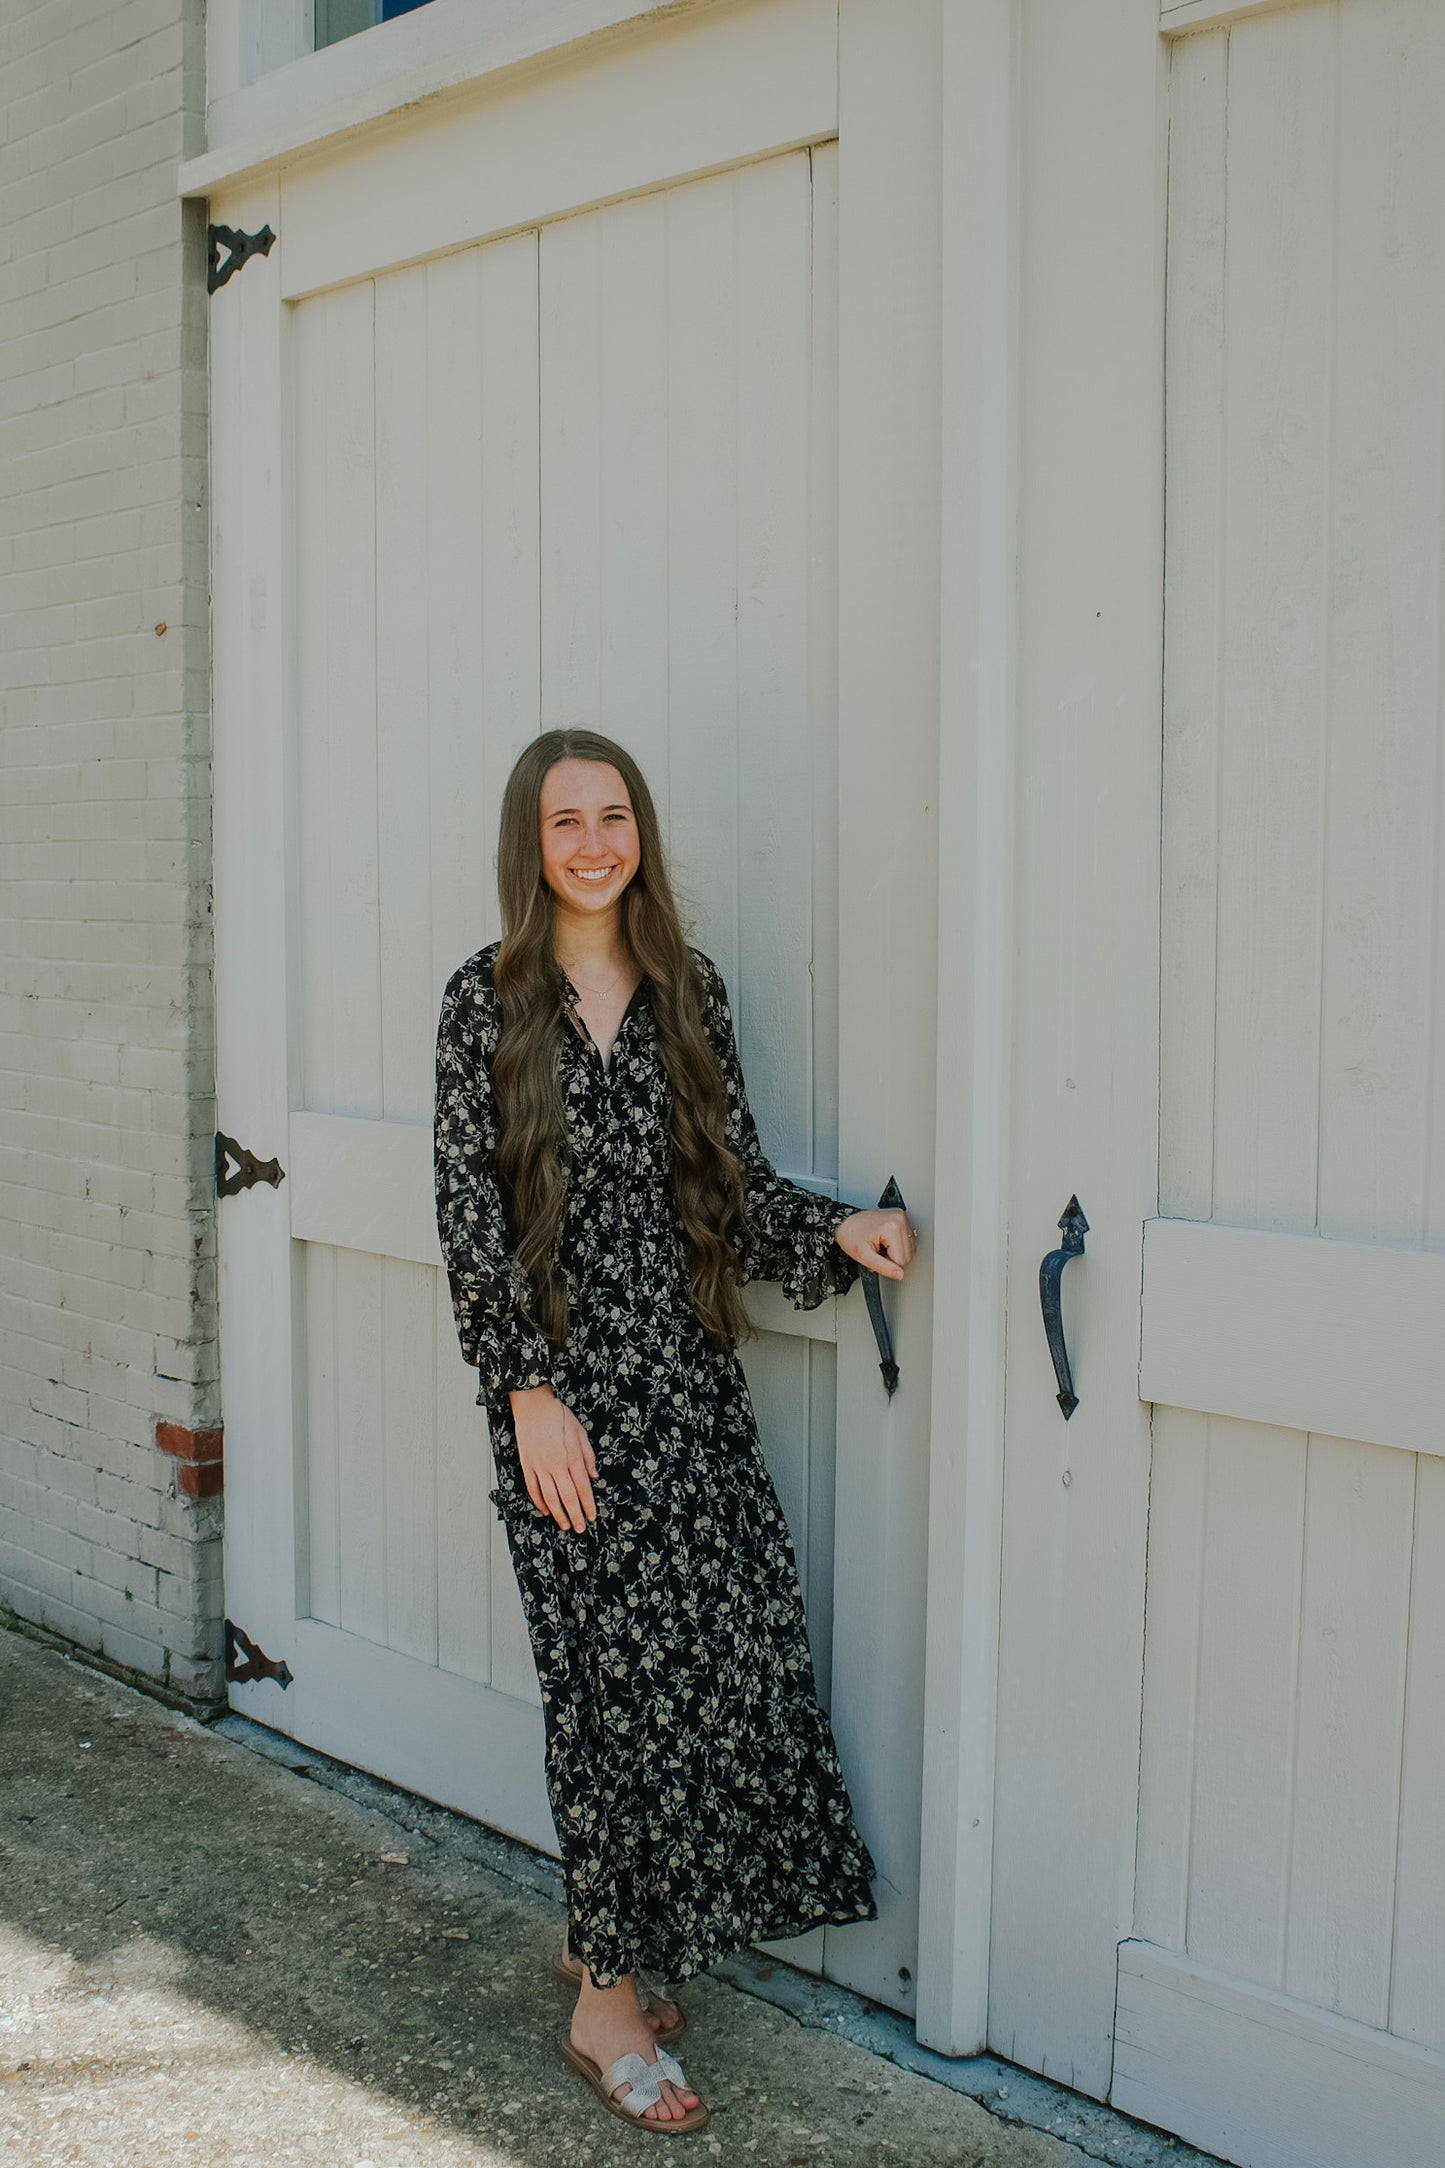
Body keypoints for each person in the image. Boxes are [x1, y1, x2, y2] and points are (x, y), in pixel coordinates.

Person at [433, 728, 916, 2135]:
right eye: (565, 819)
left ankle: (622, 1948)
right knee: (606, 1701)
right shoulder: (487, 1000)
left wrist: (834, 1230)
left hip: (685, 1386)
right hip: (563, 1404)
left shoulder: (687, 992)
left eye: (614, 815)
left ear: (638, 832)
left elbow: (723, 1180)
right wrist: (528, 1395)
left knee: (712, 1672)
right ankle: (600, 2008)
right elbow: (469, 1220)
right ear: (530, 842)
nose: (592, 841)